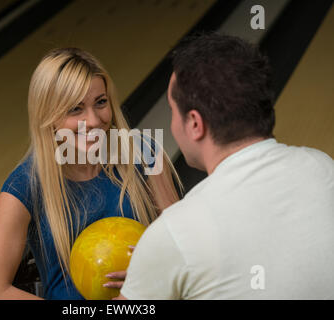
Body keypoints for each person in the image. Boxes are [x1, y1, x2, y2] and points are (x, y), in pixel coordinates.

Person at [120, 33, 334, 299]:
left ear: (195, 124)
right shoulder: (323, 168)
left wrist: (148, 274)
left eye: (173, 111)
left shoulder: (175, 232)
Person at [0, 48, 183, 299]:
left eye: (101, 102)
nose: (94, 120)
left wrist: (154, 275)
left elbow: (181, 246)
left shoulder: (143, 154)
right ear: (47, 116)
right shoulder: (23, 188)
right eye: (75, 109)